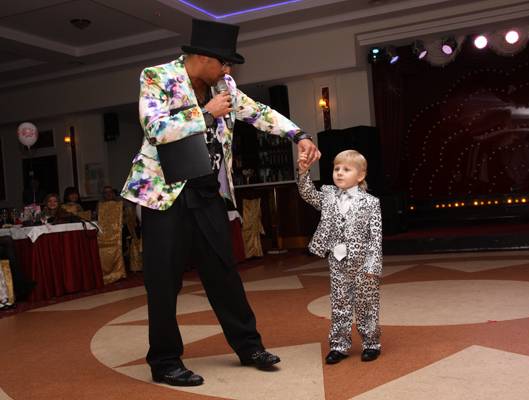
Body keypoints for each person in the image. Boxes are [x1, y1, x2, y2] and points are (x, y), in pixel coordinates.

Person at [121, 19, 320, 386]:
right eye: (224, 63)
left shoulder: (223, 86)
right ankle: (164, 361)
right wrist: (205, 113)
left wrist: (300, 135)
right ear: (202, 57)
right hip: (164, 195)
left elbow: (258, 112)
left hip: (207, 191)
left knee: (224, 273)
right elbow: (155, 128)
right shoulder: (157, 77)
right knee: (163, 281)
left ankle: (249, 347)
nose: (228, 71)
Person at [297, 150, 382, 364]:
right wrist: (303, 172)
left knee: (366, 305)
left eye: (346, 169)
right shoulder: (328, 195)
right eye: (336, 169)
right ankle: (339, 345)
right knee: (339, 304)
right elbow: (308, 193)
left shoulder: (371, 202)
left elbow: (375, 237)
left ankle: (371, 343)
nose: (340, 173)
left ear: (360, 175)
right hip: (337, 261)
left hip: (363, 263)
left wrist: (373, 266)